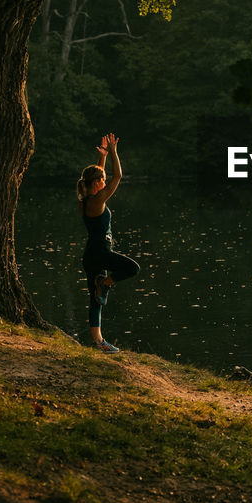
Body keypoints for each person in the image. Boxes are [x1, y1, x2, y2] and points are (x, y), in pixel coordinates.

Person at [76, 133, 140, 353]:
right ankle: (105, 283)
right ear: (96, 184)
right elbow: (118, 176)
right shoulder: (97, 201)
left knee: (95, 300)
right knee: (132, 268)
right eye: (101, 180)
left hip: (91, 255)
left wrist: (101, 157)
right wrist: (113, 151)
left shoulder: (86, 200)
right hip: (100, 254)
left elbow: (101, 176)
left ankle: (98, 342)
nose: (104, 182)